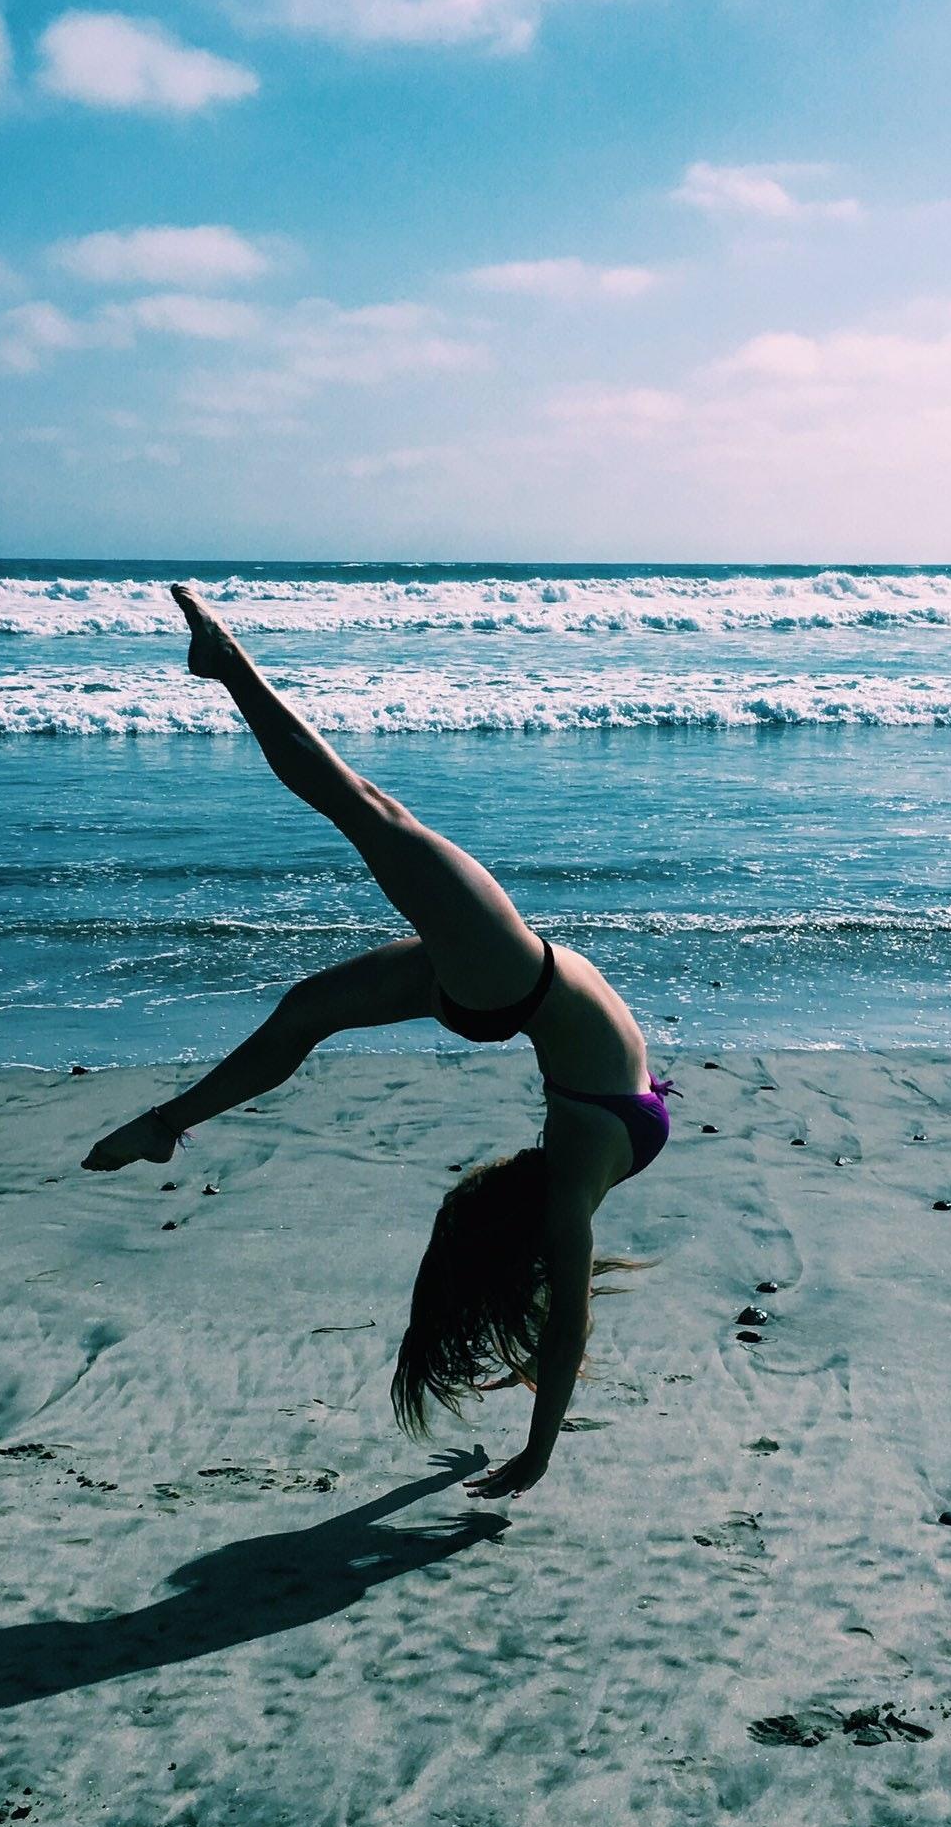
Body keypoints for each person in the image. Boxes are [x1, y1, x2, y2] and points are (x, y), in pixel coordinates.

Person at [82, 586, 672, 1500]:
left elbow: (568, 1330)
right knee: (305, 1005)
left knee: (366, 811)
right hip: (507, 992)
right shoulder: (575, 1179)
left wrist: (539, 1451)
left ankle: (227, 664)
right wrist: (532, 1448)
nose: (479, 1176)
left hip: (511, 985)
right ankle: (168, 1122)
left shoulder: (574, 1187)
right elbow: (565, 1317)